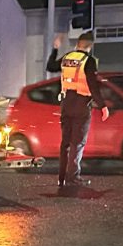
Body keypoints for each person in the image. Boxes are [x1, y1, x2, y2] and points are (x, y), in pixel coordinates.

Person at [45, 32, 110, 191]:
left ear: (78, 43)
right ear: (90, 45)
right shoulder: (89, 61)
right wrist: (102, 106)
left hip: (66, 103)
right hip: (81, 104)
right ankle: (73, 177)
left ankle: (62, 178)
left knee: (65, 143)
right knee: (77, 142)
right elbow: (93, 85)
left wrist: (55, 49)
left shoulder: (67, 57)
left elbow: (51, 66)